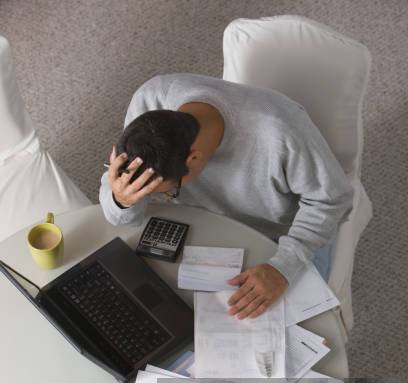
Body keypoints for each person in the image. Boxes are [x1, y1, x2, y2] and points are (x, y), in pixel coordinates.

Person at [100, 73, 352, 319]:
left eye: (168, 192)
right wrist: (122, 199)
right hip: (202, 224)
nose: (161, 197)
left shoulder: (280, 133)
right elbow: (119, 216)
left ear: (194, 158)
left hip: (285, 234)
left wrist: (282, 268)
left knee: (301, 327)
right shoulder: (151, 101)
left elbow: (332, 199)